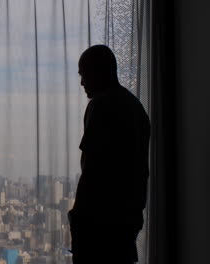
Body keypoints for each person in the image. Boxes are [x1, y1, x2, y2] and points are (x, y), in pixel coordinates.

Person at [68, 45, 151, 264]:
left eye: (84, 74)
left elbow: (92, 169)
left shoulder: (101, 105)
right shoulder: (136, 108)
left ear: (99, 71)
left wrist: (77, 218)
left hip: (98, 224)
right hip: (126, 221)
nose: (82, 82)